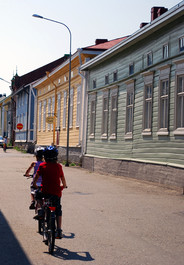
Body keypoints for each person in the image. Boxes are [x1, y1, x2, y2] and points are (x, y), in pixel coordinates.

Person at [33, 146, 67, 239]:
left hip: (45, 191)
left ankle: (40, 211)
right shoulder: (59, 166)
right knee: (58, 209)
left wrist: (35, 184)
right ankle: (59, 230)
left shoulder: (42, 166)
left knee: (38, 195)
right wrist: (64, 185)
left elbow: (36, 176)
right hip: (56, 192)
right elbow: (62, 178)